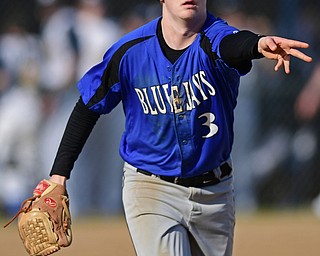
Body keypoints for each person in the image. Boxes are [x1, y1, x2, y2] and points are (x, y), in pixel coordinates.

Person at [45, 1, 312, 255]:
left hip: (214, 193)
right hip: (151, 188)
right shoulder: (131, 51)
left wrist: (258, 43)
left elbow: (234, 45)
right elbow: (88, 106)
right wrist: (58, 175)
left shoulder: (215, 37)